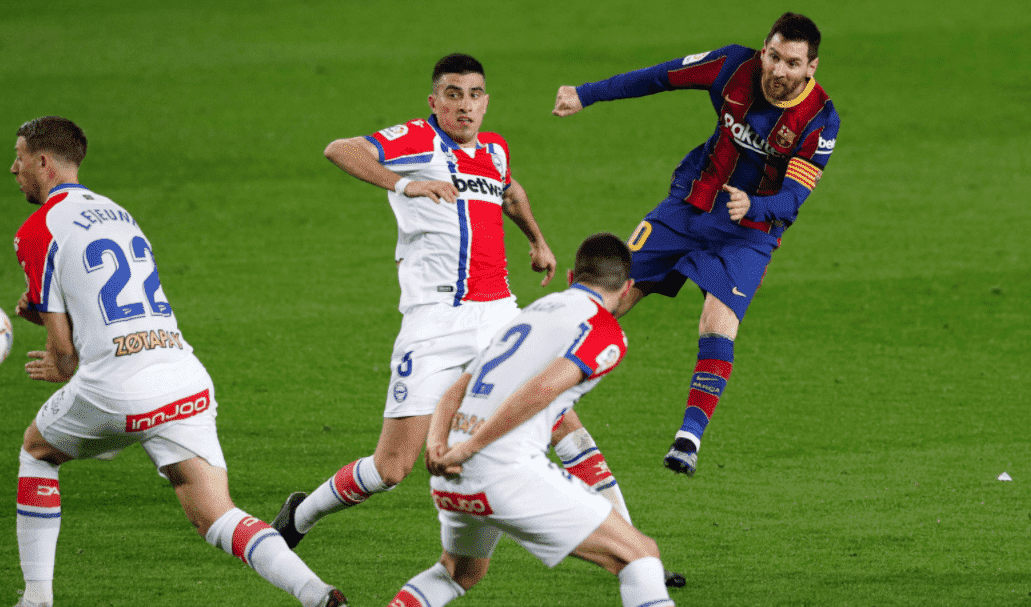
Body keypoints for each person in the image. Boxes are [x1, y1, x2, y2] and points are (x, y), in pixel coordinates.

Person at [272, 53, 641, 555]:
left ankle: (631, 540)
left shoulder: (493, 149)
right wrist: (407, 183)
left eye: (473, 95)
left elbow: (510, 192)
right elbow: (340, 149)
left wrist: (537, 241)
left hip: (499, 315)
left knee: (561, 417)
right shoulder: (417, 141)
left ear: (486, 102)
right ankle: (301, 514)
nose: (464, 105)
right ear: (434, 101)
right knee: (392, 468)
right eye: (452, 94)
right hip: (434, 321)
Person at [8, 116, 347, 607]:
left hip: (118, 389)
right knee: (217, 514)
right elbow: (109, 308)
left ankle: (36, 598)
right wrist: (47, 315)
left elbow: (64, 359)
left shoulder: (38, 230)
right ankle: (316, 594)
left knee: (37, 452)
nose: (12, 167)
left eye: (18, 157)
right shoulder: (118, 214)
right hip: (184, 379)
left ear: (42, 161)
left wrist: (52, 350)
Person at [552, 12, 840, 476]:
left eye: (792, 62)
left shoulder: (820, 120)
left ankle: (689, 437)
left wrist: (755, 207)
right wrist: (586, 94)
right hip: (690, 206)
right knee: (608, 295)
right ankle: (534, 383)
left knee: (717, 321)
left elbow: (794, 196)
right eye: (773, 56)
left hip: (749, 232)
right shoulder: (731, 66)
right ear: (762, 48)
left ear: (811, 67)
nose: (778, 71)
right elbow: (661, 76)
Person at [389, 233, 675, 607]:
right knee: (640, 554)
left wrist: (439, 446)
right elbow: (543, 390)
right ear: (627, 288)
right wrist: (471, 449)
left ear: (572, 276)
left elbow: (455, 390)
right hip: (502, 470)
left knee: (458, 572)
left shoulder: (533, 312)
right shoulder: (604, 331)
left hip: (451, 478)